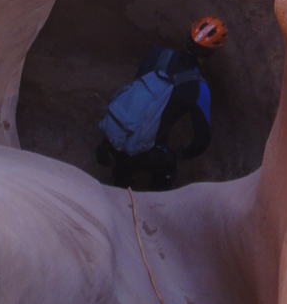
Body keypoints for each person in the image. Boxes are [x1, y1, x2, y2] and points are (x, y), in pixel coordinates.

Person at [95, 17, 227, 190]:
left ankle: (119, 170)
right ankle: (153, 198)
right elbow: (202, 140)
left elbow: (137, 88)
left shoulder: (157, 52)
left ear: (188, 36)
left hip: (114, 128)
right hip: (140, 151)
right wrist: (184, 153)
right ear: (211, 53)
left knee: (129, 157)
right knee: (169, 165)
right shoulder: (199, 89)